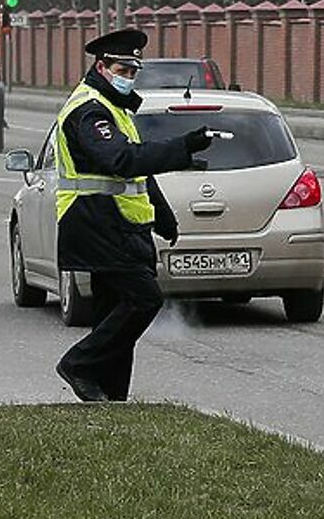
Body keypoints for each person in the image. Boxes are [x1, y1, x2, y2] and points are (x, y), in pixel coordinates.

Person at [53, 28, 214, 402]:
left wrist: (162, 214)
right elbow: (121, 160)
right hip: (96, 221)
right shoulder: (90, 110)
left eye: (132, 71)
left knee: (114, 309)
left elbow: (138, 170)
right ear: (101, 66)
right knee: (144, 300)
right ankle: (79, 364)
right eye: (122, 69)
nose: (128, 77)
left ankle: (111, 397)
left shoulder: (114, 109)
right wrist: (182, 146)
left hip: (123, 223)